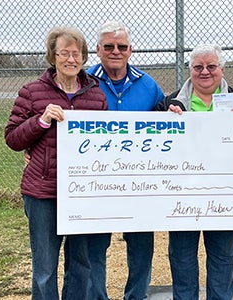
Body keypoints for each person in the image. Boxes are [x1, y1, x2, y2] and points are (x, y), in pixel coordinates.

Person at [5, 27, 108, 300]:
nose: (71, 59)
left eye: (76, 54)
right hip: (43, 193)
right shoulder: (32, 92)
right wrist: (40, 121)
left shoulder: (96, 96)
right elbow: (13, 138)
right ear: (53, 57)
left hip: (82, 192)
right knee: (45, 267)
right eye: (64, 53)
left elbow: (107, 141)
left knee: (81, 263)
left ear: (84, 57)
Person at [85, 20, 164, 300]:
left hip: (139, 181)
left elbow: (165, 123)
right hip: (96, 180)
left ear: (131, 50)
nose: (115, 51)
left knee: (141, 244)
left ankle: (137, 295)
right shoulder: (82, 83)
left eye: (121, 46)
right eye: (108, 46)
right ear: (97, 50)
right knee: (94, 244)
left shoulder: (149, 85)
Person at [154, 43, 233, 300]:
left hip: (225, 194)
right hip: (183, 194)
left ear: (222, 69)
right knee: (181, 255)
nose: (205, 72)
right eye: (198, 67)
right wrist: (163, 123)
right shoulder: (169, 104)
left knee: (223, 256)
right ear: (189, 70)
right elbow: (151, 146)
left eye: (211, 66)